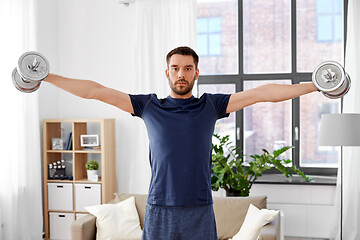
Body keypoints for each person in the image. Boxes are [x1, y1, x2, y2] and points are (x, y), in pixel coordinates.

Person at [44, 46, 318, 240]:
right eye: (175, 68)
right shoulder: (148, 105)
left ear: (196, 73)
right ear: (167, 73)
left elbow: (263, 93)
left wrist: (315, 85)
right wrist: (46, 76)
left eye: (188, 68)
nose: (181, 74)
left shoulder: (211, 105)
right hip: (159, 207)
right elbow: (95, 91)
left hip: (199, 207)